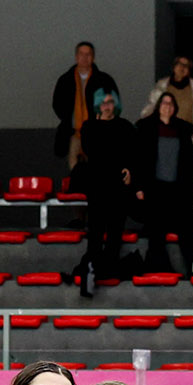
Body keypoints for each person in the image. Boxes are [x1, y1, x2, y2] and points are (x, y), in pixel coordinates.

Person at [134, 91, 193, 276]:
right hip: (155, 189)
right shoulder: (146, 127)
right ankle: (159, 268)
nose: (167, 106)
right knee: (156, 232)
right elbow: (139, 160)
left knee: (186, 231)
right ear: (158, 106)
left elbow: (191, 162)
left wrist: (189, 186)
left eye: (171, 104)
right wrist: (139, 186)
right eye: (164, 103)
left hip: (178, 190)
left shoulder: (181, 129)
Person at [71, 87, 134, 294]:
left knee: (115, 234)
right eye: (104, 102)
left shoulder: (125, 126)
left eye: (111, 102)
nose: (108, 106)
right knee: (96, 232)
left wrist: (128, 168)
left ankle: (102, 272)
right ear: (98, 105)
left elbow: (131, 153)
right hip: (98, 185)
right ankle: (92, 271)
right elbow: (94, 151)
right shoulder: (90, 127)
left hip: (117, 186)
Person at [141, 55, 193, 174]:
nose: (182, 68)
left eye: (186, 66)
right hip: (163, 139)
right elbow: (148, 111)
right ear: (173, 67)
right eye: (180, 64)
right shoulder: (160, 89)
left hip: (190, 140)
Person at [52, 41, 114, 169]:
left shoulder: (104, 80)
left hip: (97, 134)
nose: (85, 58)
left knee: (97, 169)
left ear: (93, 57)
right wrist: (68, 118)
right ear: (76, 57)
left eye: (88, 54)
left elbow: (114, 105)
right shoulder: (65, 80)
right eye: (81, 54)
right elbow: (57, 104)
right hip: (73, 133)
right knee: (74, 170)